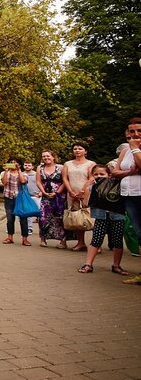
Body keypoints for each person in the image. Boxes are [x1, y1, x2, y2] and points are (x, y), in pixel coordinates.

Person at [77, 164, 127, 275]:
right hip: (101, 216)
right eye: (96, 174)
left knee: (117, 241)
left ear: (109, 175)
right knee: (96, 239)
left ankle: (116, 265)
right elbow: (85, 203)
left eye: (102, 174)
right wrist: (88, 188)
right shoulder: (91, 187)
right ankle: (88, 264)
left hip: (117, 216)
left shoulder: (118, 185)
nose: (99, 176)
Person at [113, 117, 141, 284]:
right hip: (128, 195)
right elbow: (115, 172)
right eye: (132, 131)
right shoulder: (125, 150)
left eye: (139, 131)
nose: (135, 134)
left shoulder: (134, 148)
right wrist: (131, 172)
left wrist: (136, 149)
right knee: (139, 234)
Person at [63, 142, 95, 251]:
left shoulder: (91, 164)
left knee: (90, 217)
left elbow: (92, 178)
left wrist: (83, 190)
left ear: (85, 151)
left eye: (80, 149)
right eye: (75, 148)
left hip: (87, 193)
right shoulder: (67, 164)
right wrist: (71, 191)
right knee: (77, 218)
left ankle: (96, 244)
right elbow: (65, 178)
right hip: (72, 194)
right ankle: (81, 243)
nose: (77, 150)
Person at [36, 150, 67, 248]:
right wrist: (43, 192)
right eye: (44, 156)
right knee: (43, 217)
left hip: (59, 196)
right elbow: (38, 181)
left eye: (48, 156)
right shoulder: (40, 168)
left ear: (53, 157)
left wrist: (57, 192)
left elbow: (65, 181)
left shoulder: (61, 167)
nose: (46, 158)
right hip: (45, 196)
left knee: (59, 218)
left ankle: (63, 241)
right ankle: (43, 239)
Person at [0, 158, 30, 246]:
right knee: (10, 218)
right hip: (8, 197)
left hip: (20, 198)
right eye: (11, 163)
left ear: (19, 165)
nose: (13, 164)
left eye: (15, 163)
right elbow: (4, 183)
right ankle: (10, 237)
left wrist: (19, 171)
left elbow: (23, 181)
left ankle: (25, 239)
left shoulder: (23, 174)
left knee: (23, 219)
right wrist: (5, 171)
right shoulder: (4, 173)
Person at [22, 160, 40, 236]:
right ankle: (29, 227)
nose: (27, 166)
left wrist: (40, 192)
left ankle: (42, 229)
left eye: (29, 165)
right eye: (25, 165)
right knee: (28, 213)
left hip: (36, 196)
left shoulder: (37, 174)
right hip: (26, 196)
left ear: (32, 166)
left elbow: (41, 184)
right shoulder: (21, 174)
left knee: (39, 212)